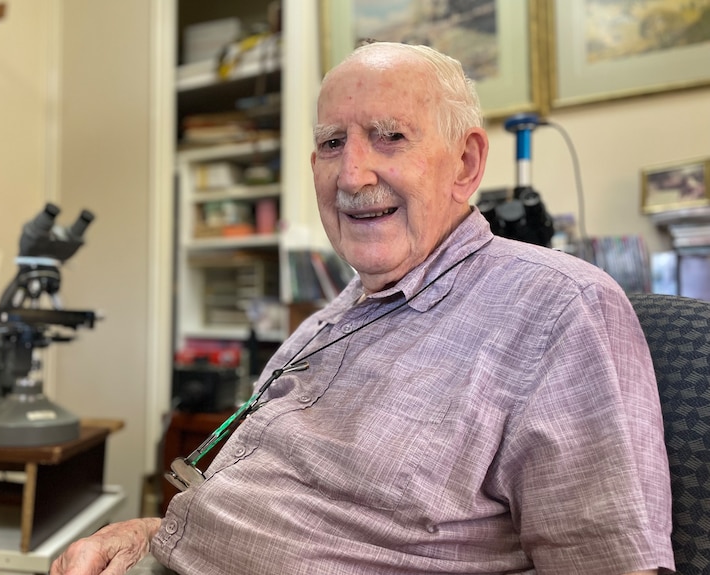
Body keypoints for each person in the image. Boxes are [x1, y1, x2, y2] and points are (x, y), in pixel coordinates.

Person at [51, 42, 674, 575]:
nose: (351, 174)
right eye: (330, 142)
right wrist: (149, 537)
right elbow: (257, 506)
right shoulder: (332, 317)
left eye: (390, 137)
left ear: (466, 163)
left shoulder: (563, 309)